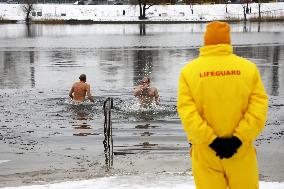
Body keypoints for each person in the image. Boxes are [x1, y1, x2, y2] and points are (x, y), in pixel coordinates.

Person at [177, 21, 268, 189]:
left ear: (206, 41)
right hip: (240, 151)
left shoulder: (189, 72)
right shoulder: (248, 69)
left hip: (206, 151)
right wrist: (239, 139)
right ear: (228, 41)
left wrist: (212, 141)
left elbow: (188, 113)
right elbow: (258, 108)